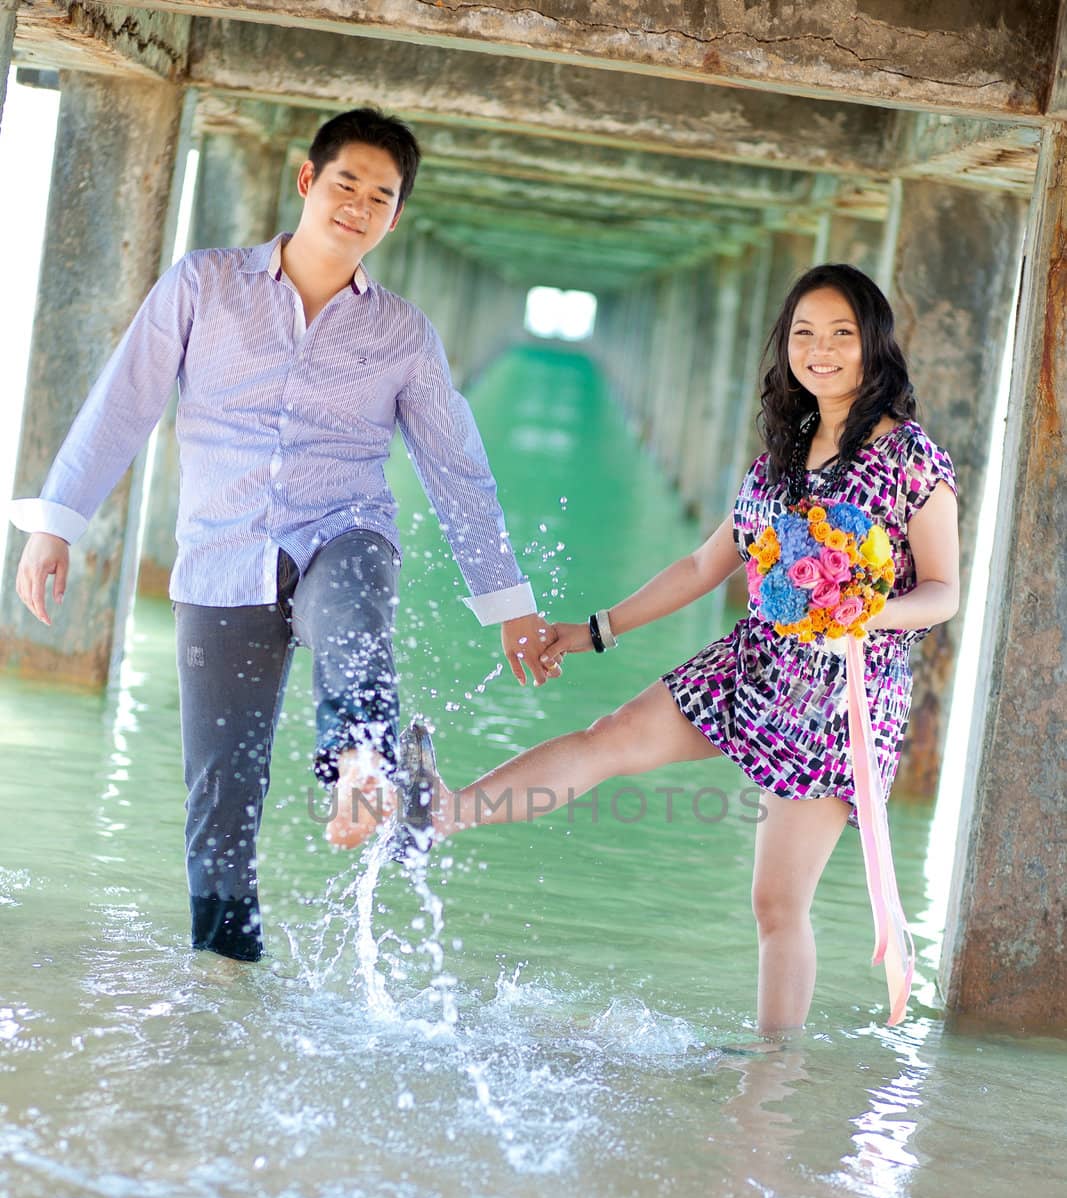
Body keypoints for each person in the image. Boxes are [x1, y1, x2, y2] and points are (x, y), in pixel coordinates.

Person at [10, 107, 556, 964]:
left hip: (346, 528)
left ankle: (362, 770)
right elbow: (125, 401)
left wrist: (509, 603)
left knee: (355, 613)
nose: (359, 206)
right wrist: (57, 525)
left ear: (395, 216)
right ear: (308, 181)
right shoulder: (204, 285)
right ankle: (225, 972)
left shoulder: (403, 334)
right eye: (347, 184)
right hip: (222, 557)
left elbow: (458, 472)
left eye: (381, 196)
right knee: (221, 794)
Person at [416, 264, 960, 1033]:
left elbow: (943, 590)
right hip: (752, 662)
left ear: (873, 344)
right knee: (608, 738)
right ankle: (443, 812)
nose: (821, 350)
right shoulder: (779, 453)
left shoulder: (911, 458)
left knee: (776, 904)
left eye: (841, 334)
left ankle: (770, 1082)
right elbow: (705, 566)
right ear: (785, 348)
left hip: (837, 699)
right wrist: (593, 630)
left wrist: (864, 612)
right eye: (803, 333)